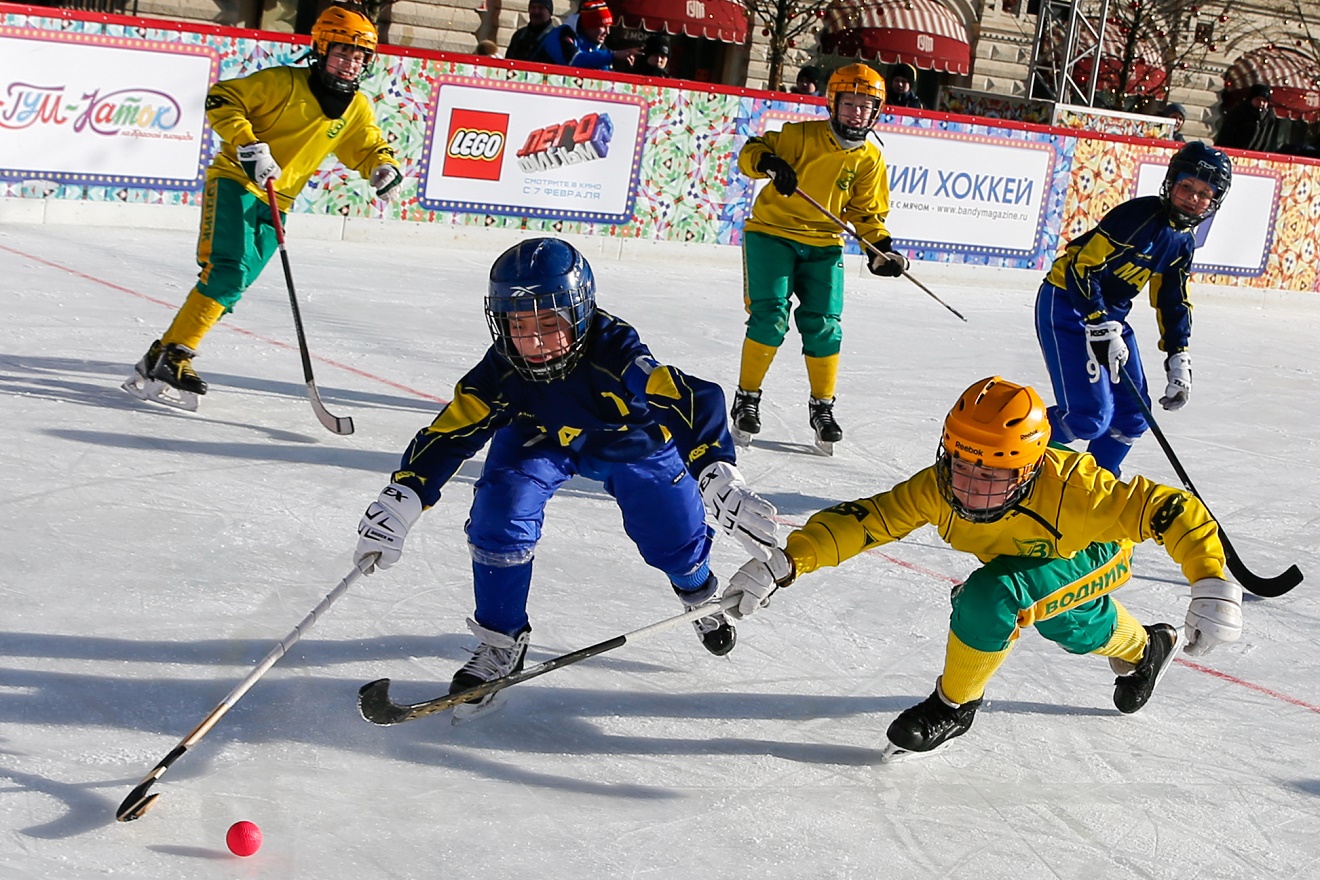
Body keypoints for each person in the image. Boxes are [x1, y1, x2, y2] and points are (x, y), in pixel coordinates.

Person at [352, 238, 778, 713]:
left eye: (550, 324)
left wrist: (715, 471)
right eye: (519, 325)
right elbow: (452, 430)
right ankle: (500, 640)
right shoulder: (503, 369)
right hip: (540, 438)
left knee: (674, 542)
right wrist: (404, 495)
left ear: (580, 314)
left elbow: (694, 396)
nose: (533, 341)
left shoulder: (615, 350)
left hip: (631, 445)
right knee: (500, 511)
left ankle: (698, 593)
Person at [723, 376, 1244, 758]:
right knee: (1070, 621)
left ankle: (952, 707)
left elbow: (1173, 510)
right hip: (1027, 558)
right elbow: (869, 521)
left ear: (1031, 467)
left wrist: (1211, 578)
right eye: (962, 463)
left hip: (1094, 553)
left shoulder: (1079, 490)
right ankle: (1147, 647)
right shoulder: (937, 486)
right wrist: (787, 559)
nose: (970, 486)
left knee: (990, 599)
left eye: (993, 474)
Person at [122, 3, 402, 411]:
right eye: (342, 52)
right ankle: (177, 356)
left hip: (278, 200)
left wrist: (381, 165)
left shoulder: (356, 107)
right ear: (322, 49)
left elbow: (365, 143)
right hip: (237, 180)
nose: (349, 64)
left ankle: (161, 356)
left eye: (359, 57)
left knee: (232, 285)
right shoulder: (282, 83)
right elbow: (222, 99)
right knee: (228, 271)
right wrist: (248, 145)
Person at [731, 64, 905, 453]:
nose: (856, 113)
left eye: (865, 106)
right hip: (772, 234)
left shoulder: (870, 160)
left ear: (876, 111)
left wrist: (882, 252)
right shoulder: (799, 136)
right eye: (849, 104)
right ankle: (747, 397)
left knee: (824, 324)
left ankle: (822, 407)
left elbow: (866, 215)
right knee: (771, 316)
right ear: (833, 104)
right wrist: (771, 164)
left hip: (824, 244)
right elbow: (750, 152)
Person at [1033, 141, 1231, 477]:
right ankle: (1008, 452)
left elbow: (1173, 301)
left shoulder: (1182, 242)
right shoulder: (1137, 217)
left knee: (1133, 417)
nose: (1192, 198)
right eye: (1186, 186)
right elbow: (1081, 268)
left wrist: (1177, 356)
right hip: (1067, 304)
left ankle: (1091, 494)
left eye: (1204, 193)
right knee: (1088, 417)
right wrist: (1097, 322)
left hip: (1108, 317)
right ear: (1171, 182)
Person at [533, 0, 641, 71]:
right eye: (603, 27)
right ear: (589, 26)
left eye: (609, 27)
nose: (607, 32)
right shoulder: (561, 35)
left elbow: (605, 75)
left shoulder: (598, 45)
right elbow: (574, 62)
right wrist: (613, 56)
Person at [1214, 84, 1277, 152]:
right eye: (1257, 99)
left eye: (1264, 101)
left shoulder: (1268, 118)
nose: (1261, 103)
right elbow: (1226, 135)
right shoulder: (1239, 112)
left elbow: (1266, 139)